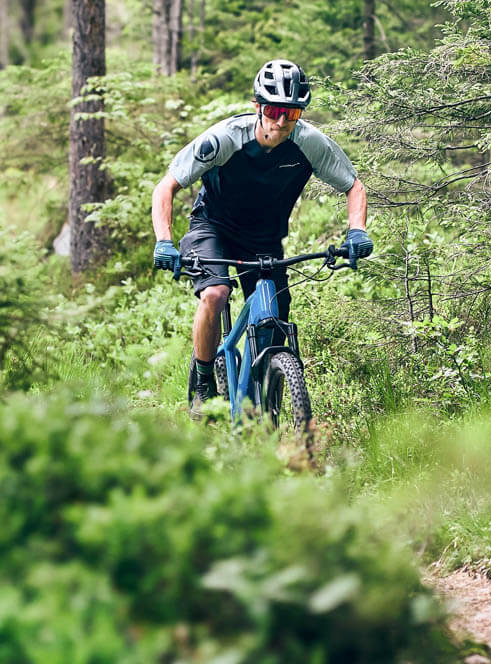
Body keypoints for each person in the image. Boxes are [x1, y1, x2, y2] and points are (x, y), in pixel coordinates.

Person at [151, 58, 373, 411]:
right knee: (216, 293)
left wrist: (356, 231)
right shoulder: (224, 139)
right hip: (213, 227)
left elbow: (354, 186)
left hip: (264, 240)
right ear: (257, 106)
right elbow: (167, 187)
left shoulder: (311, 144)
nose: (281, 121)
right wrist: (164, 240)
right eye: (272, 110)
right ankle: (204, 381)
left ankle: (266, 399)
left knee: (275, 316)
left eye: (291, 113)